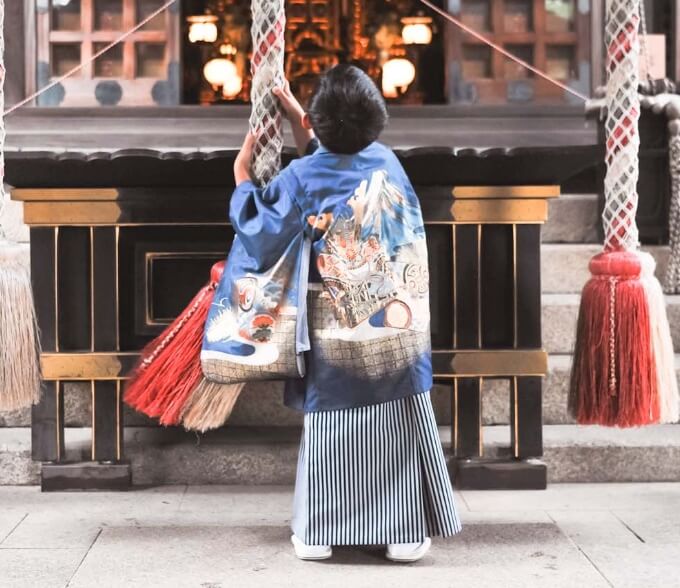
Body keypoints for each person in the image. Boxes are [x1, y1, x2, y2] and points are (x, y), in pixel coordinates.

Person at [229, 64, 461, 562]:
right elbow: (334, 163)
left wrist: (242, 178)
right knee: (397, 421)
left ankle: (319, 534)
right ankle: (402, 532)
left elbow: (261, 228)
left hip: (337, 329)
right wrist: (303, 125)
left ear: (318, 123)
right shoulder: (387, 162)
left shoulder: (300, 174)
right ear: (375, 122)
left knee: (332, 429)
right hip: (396, 319)